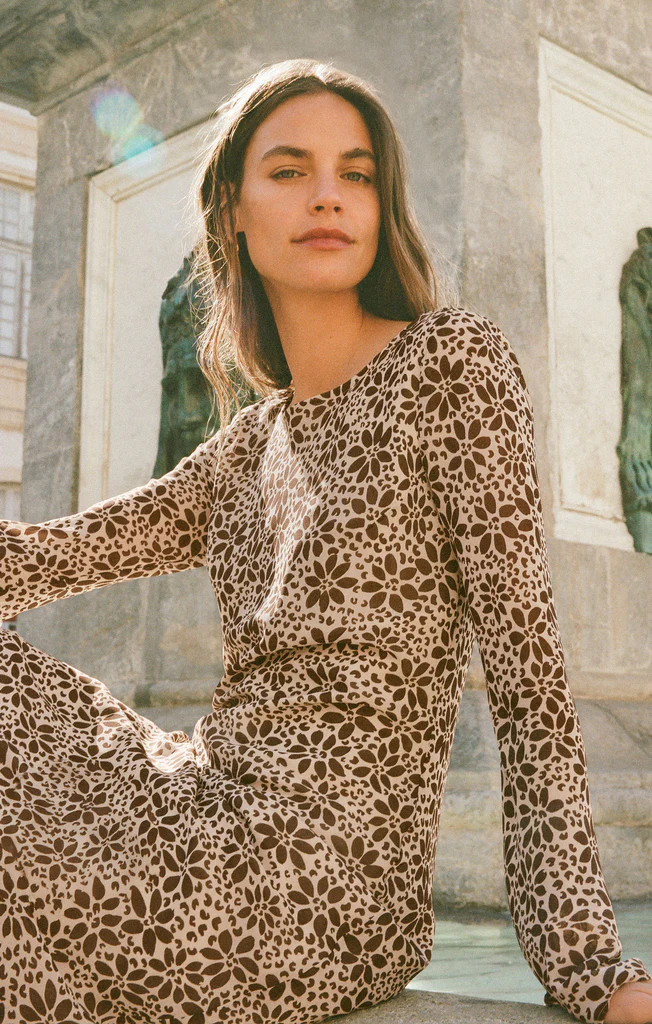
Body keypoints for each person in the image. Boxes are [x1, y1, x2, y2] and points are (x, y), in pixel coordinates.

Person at [0, 57, 650, 1024]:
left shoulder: (451, 365)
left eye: (357, 174)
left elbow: (529, 681)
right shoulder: (245, 449)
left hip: (323, 900)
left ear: (383, 208)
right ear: (232, 211)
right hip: (198, 815)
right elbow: (44, 556)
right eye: (289, 170)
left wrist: (589, 965)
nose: (327, 197)